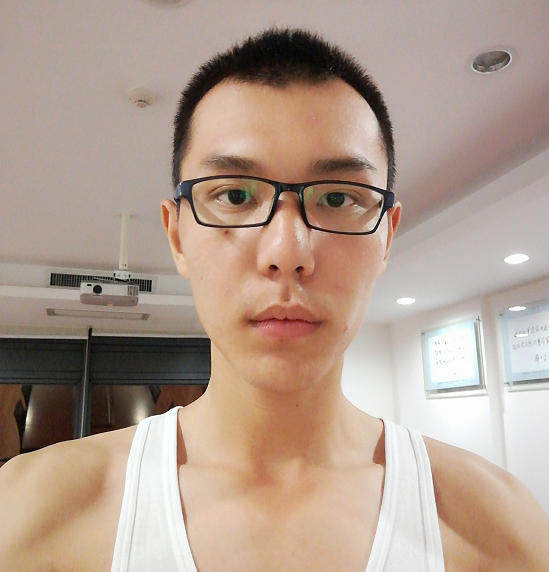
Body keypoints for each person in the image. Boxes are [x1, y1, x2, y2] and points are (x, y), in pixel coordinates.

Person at [1, 28, 548, 572]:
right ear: (176, 236)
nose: (287, 252)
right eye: (235, 194)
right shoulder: (32, 518)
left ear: (386, 236)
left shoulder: (500, 531)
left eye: (338, 198)